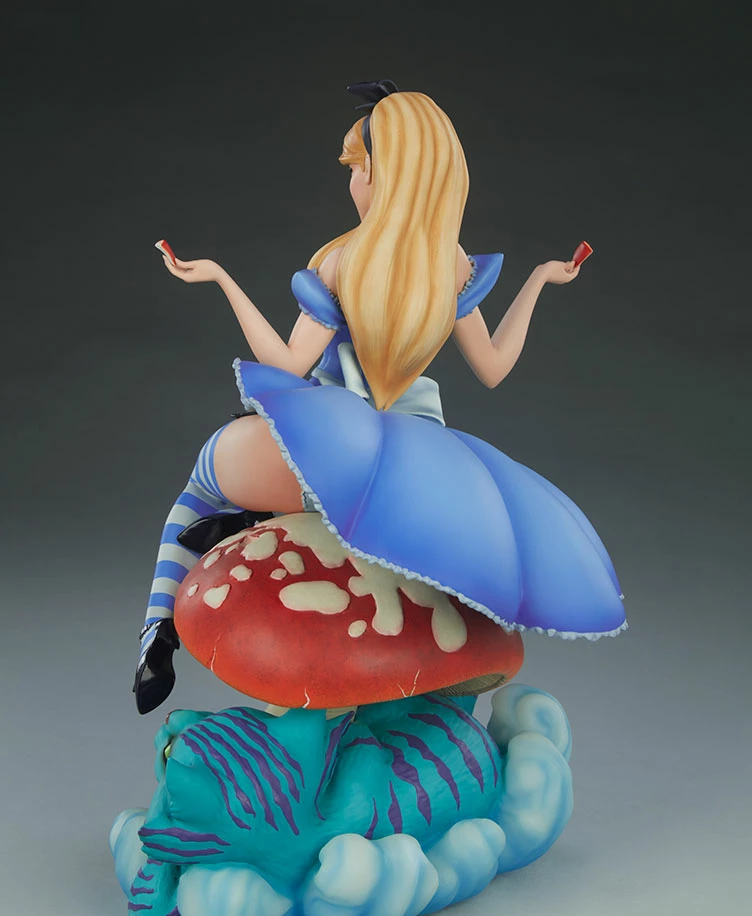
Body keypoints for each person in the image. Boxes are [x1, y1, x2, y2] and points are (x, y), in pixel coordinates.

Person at [134, 82, 626, 714]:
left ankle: (157, 630)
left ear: (380, 173)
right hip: (420, 471)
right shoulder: (452, 265)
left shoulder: (343, 262)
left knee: (204, 483)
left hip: (325, 454)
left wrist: (220, 279)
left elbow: (287, 363)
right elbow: (494, 367)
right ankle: (263, 527)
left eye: (357, 167)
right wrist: (538, 280)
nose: (352, 182)